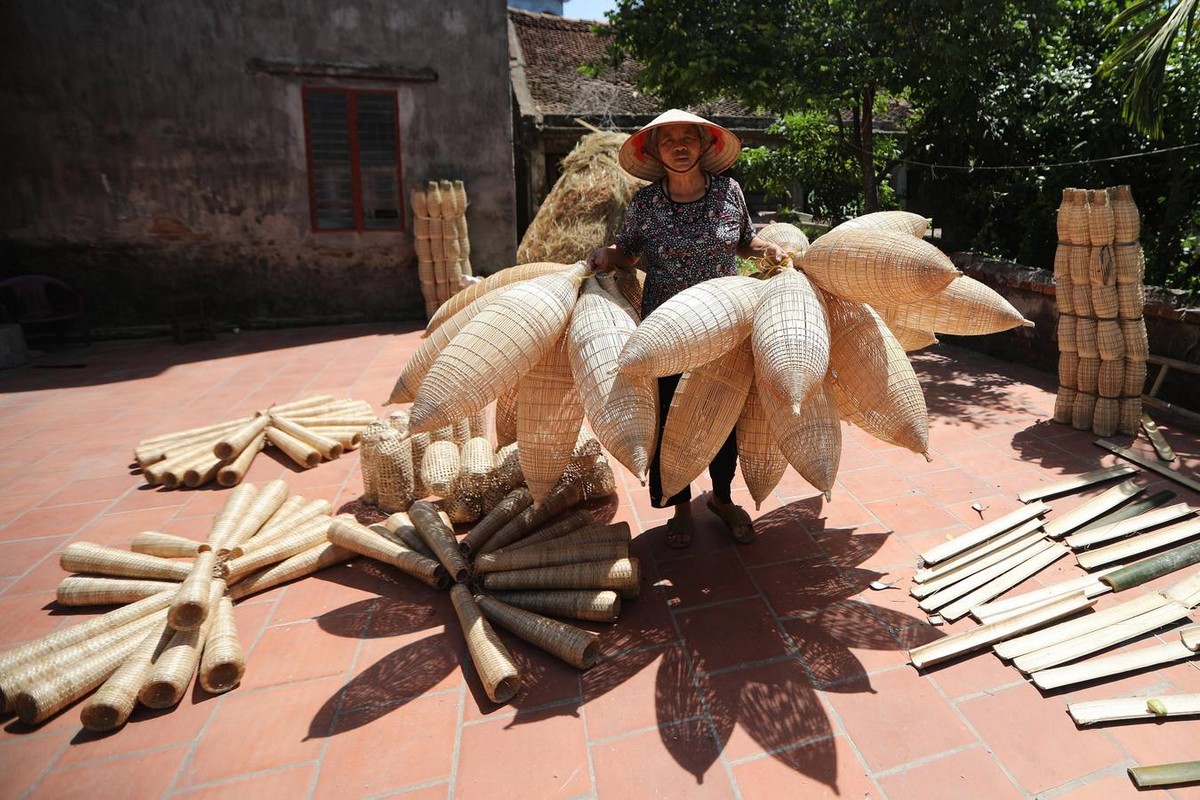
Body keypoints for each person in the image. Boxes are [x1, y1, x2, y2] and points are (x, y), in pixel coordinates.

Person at [586, 109, 785, 549]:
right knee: (670, 412)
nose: (678, 146)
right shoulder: (646, 202)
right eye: (667, 140)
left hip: (726, 325)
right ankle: (678, 504)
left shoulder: (729, 192)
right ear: (654, 151)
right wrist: (608, 255)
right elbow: (629, 251)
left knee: (723, 412)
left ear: (704, 145)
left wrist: (765, 246)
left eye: (687, 139)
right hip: (668, 329)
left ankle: (721, 497)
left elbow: (744, 240)